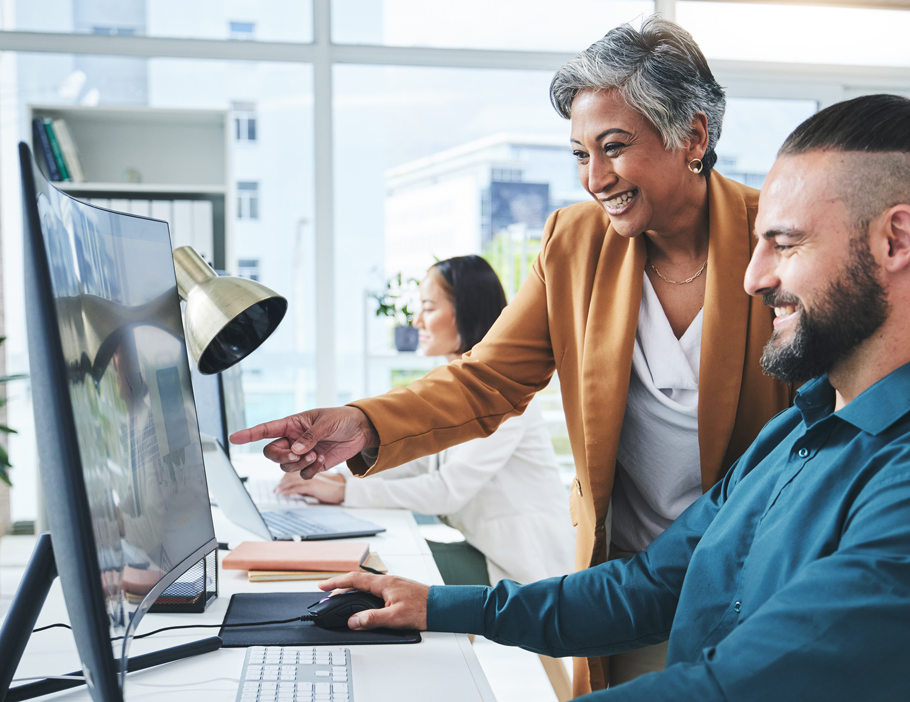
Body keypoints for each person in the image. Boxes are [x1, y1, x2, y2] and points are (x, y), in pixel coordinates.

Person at [231, 17, 792, 694]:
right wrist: (362, 422)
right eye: (581, 154)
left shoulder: (779, 241)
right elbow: (489, 378)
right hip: (627, 578)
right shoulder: (575, 242)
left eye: (613, 147)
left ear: (693, 136)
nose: (595, 178)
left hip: (759, 576)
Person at [309, 93, 910, 700]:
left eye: (785, 243)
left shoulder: (890, 476)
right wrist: (438, 605)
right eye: (580, 153)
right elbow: (649, 585)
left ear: (895, 240)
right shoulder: (790, 436)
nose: (754, 278)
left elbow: (738, 684)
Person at [277, 255, 576, 587]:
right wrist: (340, 478)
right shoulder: (455, 389)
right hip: (489, 550)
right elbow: (420, 462)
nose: (417, 321)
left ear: (468, 311)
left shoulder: (506, 397)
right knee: (369, 561)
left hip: (527, 566)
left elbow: (447, 490)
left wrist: (346, 493)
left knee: (376, 570)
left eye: (429, 308)